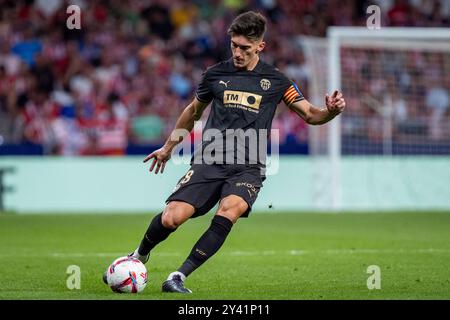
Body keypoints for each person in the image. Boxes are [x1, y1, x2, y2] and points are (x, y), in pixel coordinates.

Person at [103, 11, 345, 293]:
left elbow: (311, 115)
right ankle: (139, 256)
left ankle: (178, 277)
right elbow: (193, 111)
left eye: (245, 48)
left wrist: (330, 111)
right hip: (210, 159)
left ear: (260, 46)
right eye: (234, 45)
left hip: (248, 166)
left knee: (228, 211)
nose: (238, 53)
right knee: (172, 217)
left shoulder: (276, 81)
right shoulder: (215, 75)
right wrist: (169, 147)